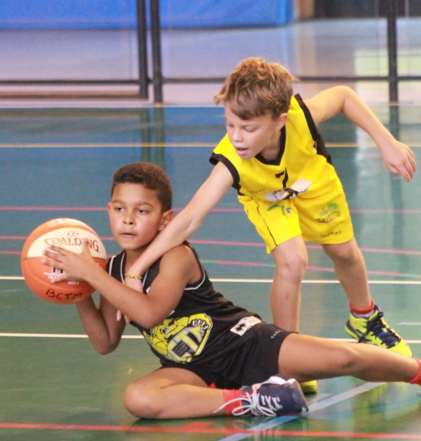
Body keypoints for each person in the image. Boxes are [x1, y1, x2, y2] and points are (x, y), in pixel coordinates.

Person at [122, 58, 417, 395]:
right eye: (230, 124)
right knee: (292, 260)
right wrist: (137, 270)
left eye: (248, 129)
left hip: (312, 180)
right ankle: (287, 361)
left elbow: (345, 96)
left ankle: (365, 319)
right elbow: (189, 218)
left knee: (344, 252)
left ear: (280, 120)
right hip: (266, 198)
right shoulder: (232, 160)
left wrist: (387, 142)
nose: (236, 137)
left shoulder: (301, 116)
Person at [41, 162, 421, 420]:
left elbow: (151, 313)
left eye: (142, 211)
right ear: (108, 209)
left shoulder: (176, 256)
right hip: (193, 370)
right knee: (138, 398)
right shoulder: (111, 272)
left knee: (345, 359)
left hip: (246, 344)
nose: (127, 219)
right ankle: (256, 399)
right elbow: (105, 341)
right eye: (119, 209)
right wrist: (79, 288)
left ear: (165, 219)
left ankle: (417, 372)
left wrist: (92, 274)